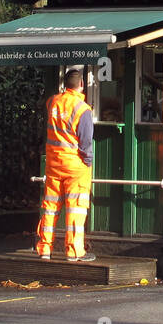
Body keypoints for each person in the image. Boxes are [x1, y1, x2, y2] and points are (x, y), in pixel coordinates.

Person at [36, 69, 96, 262]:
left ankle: (45, 249)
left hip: (53, 164)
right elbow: (86, 142)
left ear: (65, 84)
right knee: (76, 208)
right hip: (75, 166)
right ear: (82, 85)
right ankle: (74, 251)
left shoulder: (53, 102)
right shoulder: (83, 109)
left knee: (50, 206)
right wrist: (87, 161)